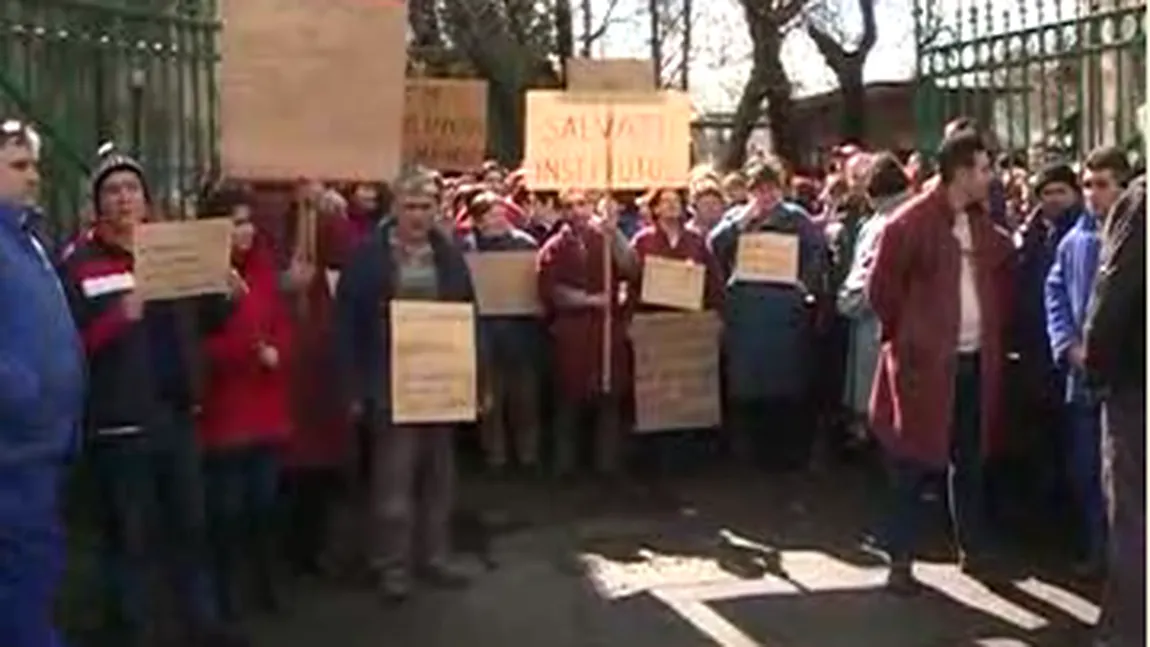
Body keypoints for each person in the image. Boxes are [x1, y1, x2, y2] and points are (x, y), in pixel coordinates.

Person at [58, 151, 246, 646]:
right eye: (113, 190)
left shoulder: (171, 250)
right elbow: (69, 345)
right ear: (98, 203)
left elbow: (207, 322)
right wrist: (120, 317)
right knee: (130, 535)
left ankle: (201, 624)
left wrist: (225, 292)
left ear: (146, 198)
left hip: (176, 414)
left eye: (132, 189)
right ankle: (137, 629)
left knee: (191, 525)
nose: (124, 198)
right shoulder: (79, 262)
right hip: (120, 424)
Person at [866, 128, 1015, 594]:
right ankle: (901, 558)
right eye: (985, 168)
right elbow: (881, 292)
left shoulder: (980, 223)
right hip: (924, 365)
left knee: (970, 460)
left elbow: (1002, 267)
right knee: (912, 459)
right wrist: (908, 339)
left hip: (973, 360)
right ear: (962, 170)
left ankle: (973, 548)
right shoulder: (908, 224)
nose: (991, 177)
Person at [336, 168, 475, 603]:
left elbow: (471, 314)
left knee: (439, 477)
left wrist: (476, 377)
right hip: (389, 383)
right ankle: (391, 565)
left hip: (442, 383)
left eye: (426, 206)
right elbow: (347, 325)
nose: (418, 215)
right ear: (395, 207)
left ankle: (434, 556)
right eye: (411, 206)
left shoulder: (448, 254)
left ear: (437, 209)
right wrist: (353, 388)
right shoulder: (368, 256)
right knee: (392, 482)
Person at [0, 119, 85, 647]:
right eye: (18, 166)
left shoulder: (26, 239)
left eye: (35, 166)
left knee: (33, 583)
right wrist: (23, 395)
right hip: (12, 455)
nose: (34, 177)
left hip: (40, 451)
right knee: (21, 593)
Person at [195, 183, 295, 619]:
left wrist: (279, 351)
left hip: (266, 411)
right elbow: (198, 346)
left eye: (249, 221)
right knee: (228, 512)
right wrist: (244, 350)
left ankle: (265, 585)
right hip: (225, 415)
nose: (246, 231)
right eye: (236, 223)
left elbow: (281, 324)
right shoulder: (201, 277)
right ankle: (226, 593)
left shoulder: (263, 268)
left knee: (263, 506)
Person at [709, 157, 828, 470]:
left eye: (771, 189)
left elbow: (817, 251)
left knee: (786, 381)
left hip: (784, 312)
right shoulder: (737, 217)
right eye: (759, 190)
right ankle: (750, 453)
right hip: (746, 314)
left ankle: (786, 452)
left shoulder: (796, 218)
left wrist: (806, 284)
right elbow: (714, 246)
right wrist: (742, 220)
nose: (766, 196)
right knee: (748, 383)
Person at [1044, 146, 1130, 576]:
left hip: (1124, 377)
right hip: (1082, 376)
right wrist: (1066, 343)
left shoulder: (1132, 239)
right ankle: (1098, 550)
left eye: (1103, 185)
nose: (1094, 195)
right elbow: (1055, 293)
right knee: (1085, 469)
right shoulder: (1073, 241)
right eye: (1088, 185)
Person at [538, 188, 639, 478]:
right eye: (569, 206)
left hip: (607, 333)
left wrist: (615, 234)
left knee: (609, 401)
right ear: (561, 211)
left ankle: (608, 466)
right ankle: (564, 467)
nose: (576, 211)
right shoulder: (554, 248)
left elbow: (632, 269)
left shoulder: (606, 240)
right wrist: (589, 299)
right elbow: (551, 290)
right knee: (568, 402)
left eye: (582, 204)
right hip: (572, 335)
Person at [1084, 174, 1145, 647]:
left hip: (1136, 387)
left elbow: (1114, 292)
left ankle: (1128, 632)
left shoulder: (1142, 202)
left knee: (1133, 512)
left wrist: (1095, 365)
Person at [460, 192, 545, 474]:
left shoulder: (525, 244)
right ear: (478, 219)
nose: (499, 219)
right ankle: (495, 457)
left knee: (525, 400)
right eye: (491, 214)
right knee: (490, 401)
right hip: (484, 335)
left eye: (501, 213)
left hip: (520, 334)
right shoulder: (468, 248)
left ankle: (528, 456)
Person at [837, 152, 911, 441]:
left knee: (879, 397)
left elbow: (868, 277)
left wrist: (847, 301)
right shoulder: (916, 219)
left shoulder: (880, 225)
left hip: (876, 322)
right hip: (903, 322)